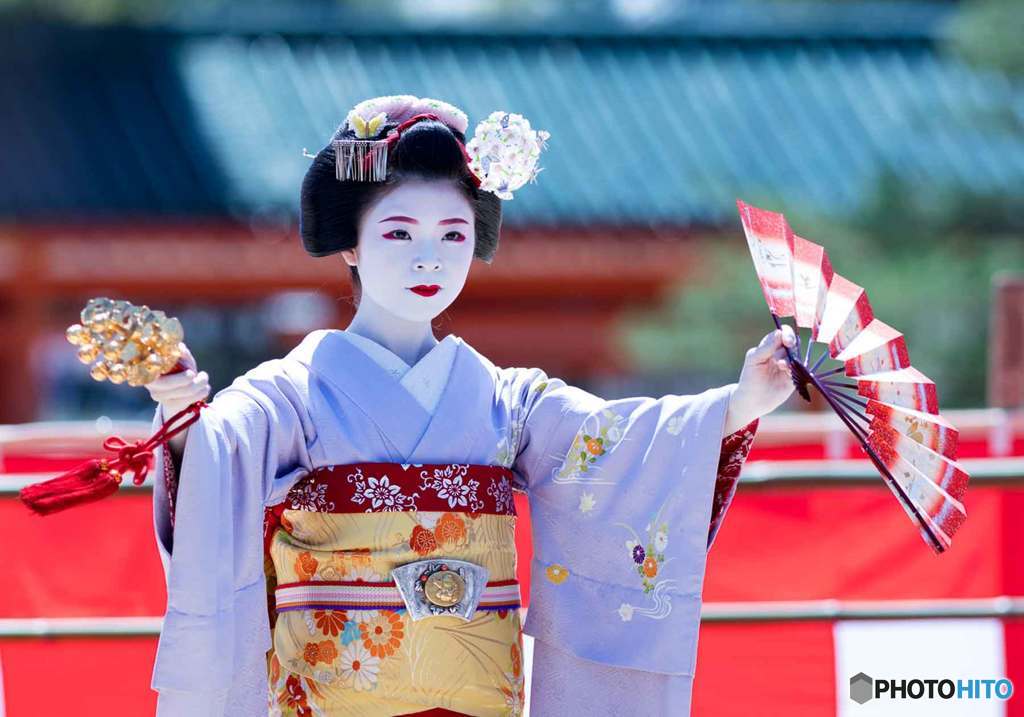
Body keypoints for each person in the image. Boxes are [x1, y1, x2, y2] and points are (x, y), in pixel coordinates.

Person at [144, 95, 796, 716]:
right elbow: (222, 445)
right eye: (399, 233)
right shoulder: (292, 394)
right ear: (350, 244)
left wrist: (739, 403)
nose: (430, 256)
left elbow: (614, 444)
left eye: (453, 234)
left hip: (481, 699)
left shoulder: (505, 399)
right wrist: (185, 424)